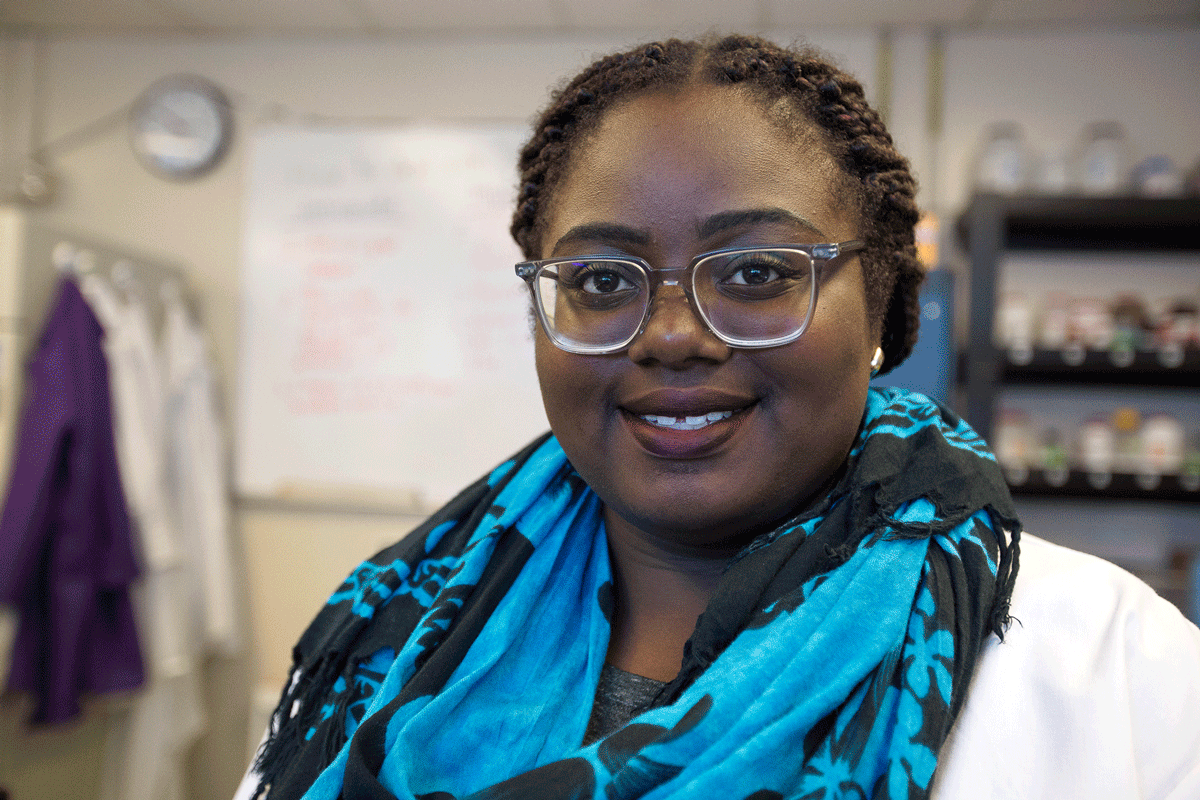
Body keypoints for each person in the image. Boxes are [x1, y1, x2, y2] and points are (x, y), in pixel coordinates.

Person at [236, 35, 1200, 800]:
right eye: (603, 280)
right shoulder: (393, 635)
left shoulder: (1114, 668)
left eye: (756, 273)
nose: (669, 337)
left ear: (880, 305)